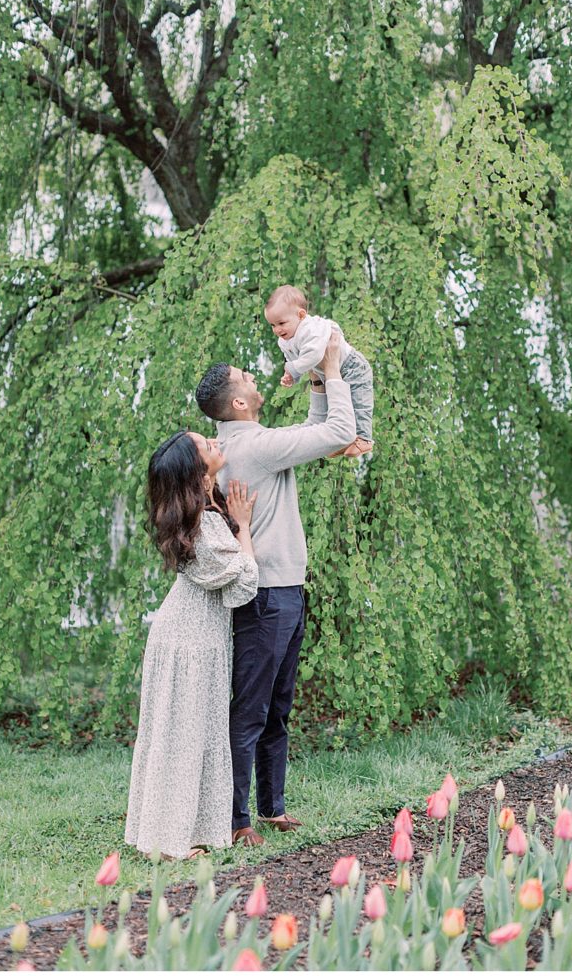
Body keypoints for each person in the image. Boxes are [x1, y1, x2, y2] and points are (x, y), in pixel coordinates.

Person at [195, 332, 355, 846]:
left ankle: (272, 809)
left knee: (276, 708)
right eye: (246, 376)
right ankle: (238, 820)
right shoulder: (255, 448)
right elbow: (337, 432)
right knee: (252, 710)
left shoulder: (252, 444)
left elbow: (312, 429)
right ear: (239, 403)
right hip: (267, 596)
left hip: (283, 591)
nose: (254, 376)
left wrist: (313, 380)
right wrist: (331, 369)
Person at [125, 430, 259, 860]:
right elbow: (244, 584)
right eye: (204, 443)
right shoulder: (206, 524)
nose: (213, 441)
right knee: (184, 735)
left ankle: (176, 831)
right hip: (190, 638)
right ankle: (170, 841)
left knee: (185, 733)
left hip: (191, 633)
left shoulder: (203, 515)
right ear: (196, 470)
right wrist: (248, 530)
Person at [265, 283, 374, 457]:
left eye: (281, 323)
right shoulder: (284, 340)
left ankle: (364, 439)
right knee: (336, 406)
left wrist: (293, 368)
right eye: (272, 325)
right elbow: (295, 360)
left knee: (358, 402)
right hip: (327, 372)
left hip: (352, 366)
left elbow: (313, 355)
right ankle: (344, 440)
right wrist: (292, 376)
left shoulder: (309, 330)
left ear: (301, 315)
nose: (277, 330)